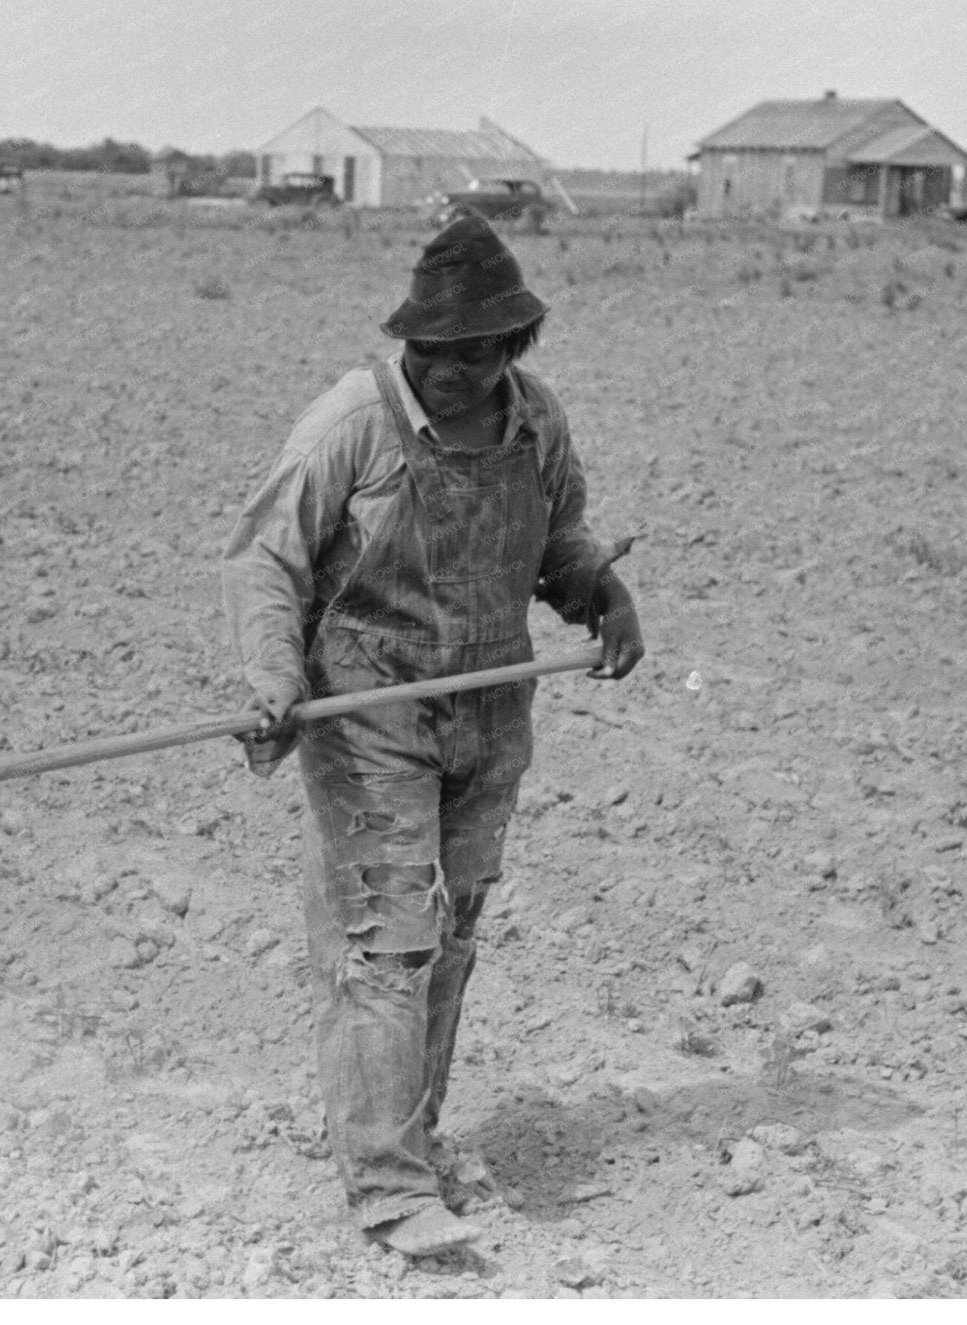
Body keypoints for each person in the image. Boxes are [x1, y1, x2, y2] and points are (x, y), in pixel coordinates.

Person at [221, 212, 643, 1256]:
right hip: (369, 712)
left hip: (490, 717)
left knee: (447, 939)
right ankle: (387, 1188)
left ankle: (413, 1137)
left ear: (510, 349)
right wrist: (274, 675)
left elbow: (559, 540)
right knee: (384, 940)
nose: (443, 375)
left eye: (468, 356)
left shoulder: (535, 423)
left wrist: (600, 591)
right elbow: (265, 560)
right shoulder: (351, 423)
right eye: (428, 353)